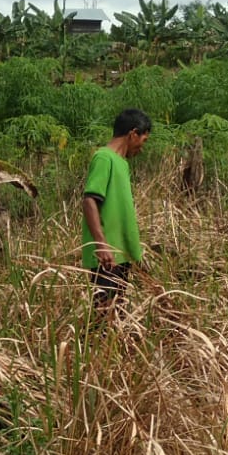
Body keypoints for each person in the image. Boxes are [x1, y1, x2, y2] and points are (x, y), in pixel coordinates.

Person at [80, 108, 151, 313]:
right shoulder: (104, 158)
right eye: (143, 140)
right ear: (132, 134)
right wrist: (101, 245)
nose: (142, 148)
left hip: (120, 255)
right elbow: (89, 200)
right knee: (105, 317)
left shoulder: (121, 163)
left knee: (115, 316)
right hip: (107, 257)